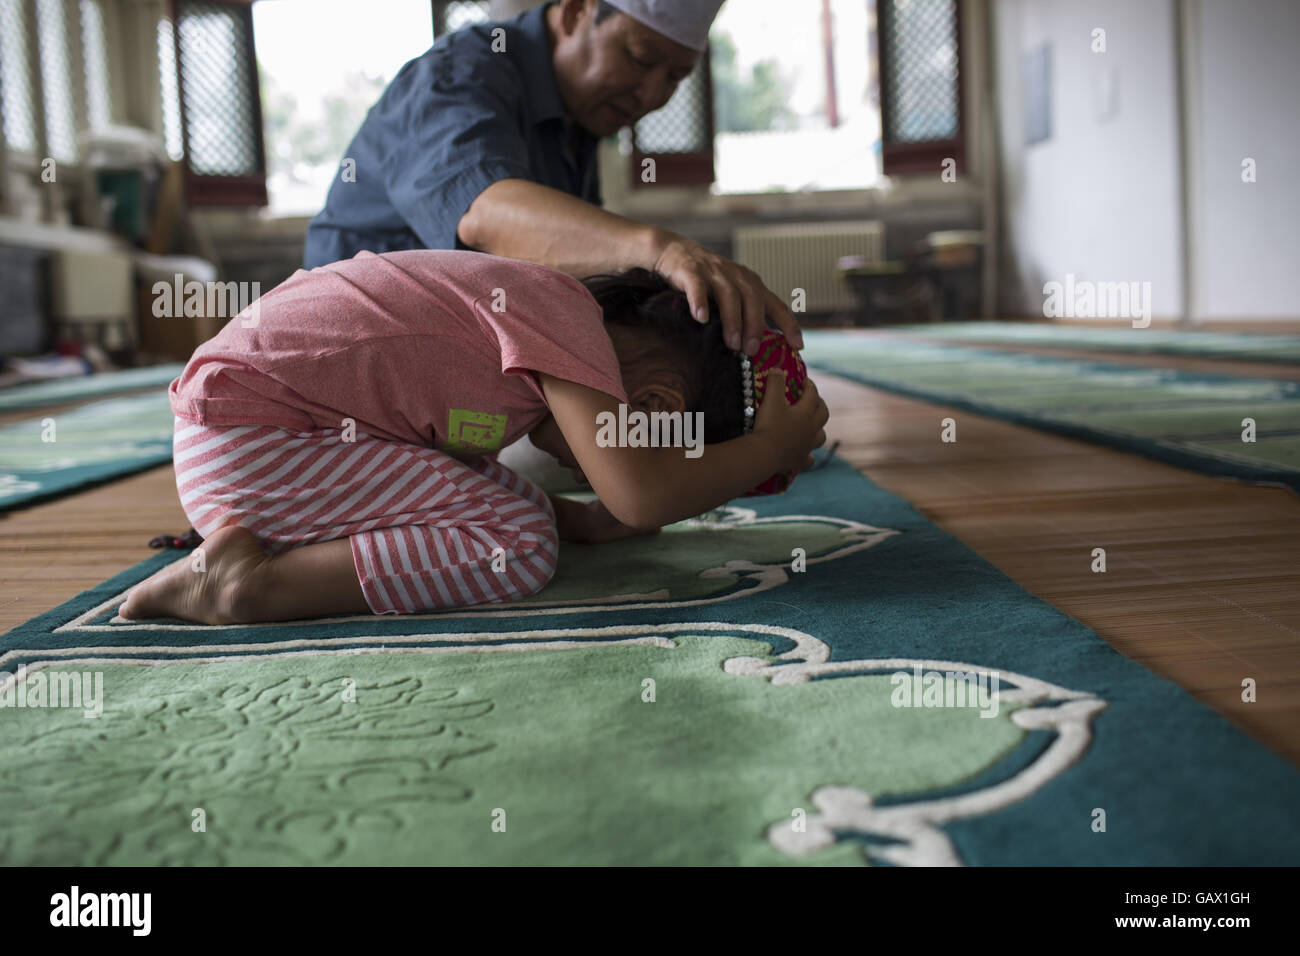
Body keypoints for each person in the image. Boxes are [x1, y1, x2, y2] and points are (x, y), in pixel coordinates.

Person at [120, 250, 827, 624]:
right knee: (518, 544)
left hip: (251, 445)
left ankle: (267, 550)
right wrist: (767, 449)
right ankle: (246, 586)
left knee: (497, 494)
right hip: (259, 446)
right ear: (653, 402)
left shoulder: (540, 319)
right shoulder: (570, 330)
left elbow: (441, 475)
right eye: (642, 441)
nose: (603, 463)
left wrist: (580, 516)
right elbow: (642, 497)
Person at [303, 0, 801, 359]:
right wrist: (662, 251)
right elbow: (485, 213)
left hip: (454, 346)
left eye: (674, 78)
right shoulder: (459, 75)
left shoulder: (579, 121)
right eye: (641, 58)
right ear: (574, 12)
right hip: (354, 354)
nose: (651, 94)